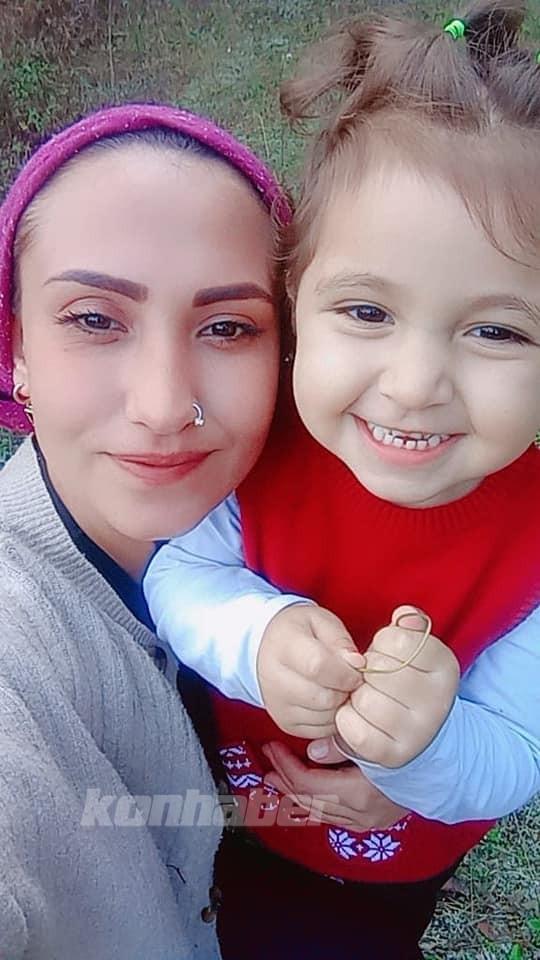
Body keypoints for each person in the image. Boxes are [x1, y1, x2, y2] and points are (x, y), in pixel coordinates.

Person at [144, 2, 540, 958]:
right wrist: (258, 634)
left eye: (497, 330)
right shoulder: (261, 446)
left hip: (381, 866)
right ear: (295, 299)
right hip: (216, 799)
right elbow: (176, 574)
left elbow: (516, 751)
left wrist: (422, 751)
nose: (414, 385)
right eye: (367, 311)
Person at [0, 102, 290, 959]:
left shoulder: (305, 517)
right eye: (94, 319)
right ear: (15, 351)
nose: (164, 407)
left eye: (228, 327)